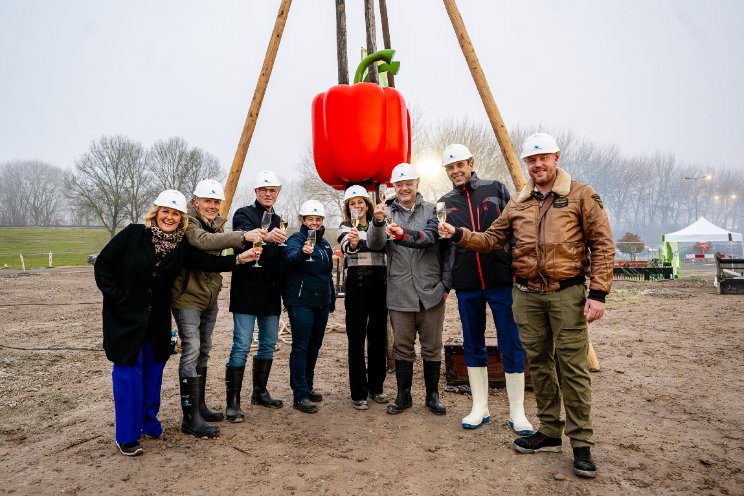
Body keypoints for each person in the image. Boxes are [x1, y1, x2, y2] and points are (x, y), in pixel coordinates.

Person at [439, 133, 614, 478]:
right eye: (531, 161)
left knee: (572, 368)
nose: (537, 165)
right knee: (541, 364)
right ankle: (549, 431)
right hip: (527, 294)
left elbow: (602, 244)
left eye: (543, 158)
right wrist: (458, 235)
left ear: (556, 158)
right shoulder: (519, 203)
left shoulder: (581, 194)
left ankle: (580, 443)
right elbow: (492, 239)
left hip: (566, 293)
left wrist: (598, 293)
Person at [94, 190, 256, 456]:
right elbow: (104, 265)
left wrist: (239, 259)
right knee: (128, 373)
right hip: (125, 317)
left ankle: (148, 422)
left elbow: (205, 262)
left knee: (154, 371)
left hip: (156, 318)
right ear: (155, 213)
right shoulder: (134, 234)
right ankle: (126, 434)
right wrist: (117, 297)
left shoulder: (179, 247)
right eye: (165, 211)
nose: (169, 217)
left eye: (175, 214)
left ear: (182, 219)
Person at [439, 144, 534, 434]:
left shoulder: (495, 189)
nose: (456, 171)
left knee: (511, 341)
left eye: (460, 165)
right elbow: (442, 247)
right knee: (472, 342)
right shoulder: (444, 202)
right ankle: (479, 406)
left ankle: (517, 411)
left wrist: (519, 268)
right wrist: (448, 280)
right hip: (467, 284)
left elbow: (517, 230)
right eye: (450, 168)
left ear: (471, 163)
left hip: (502, 280)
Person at [171, 179, 255, 438]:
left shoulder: (213, 222)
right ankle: (190, 418)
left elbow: (216, 251)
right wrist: (242, 238)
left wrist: (252, 243)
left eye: (216, 202)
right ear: (196, 202)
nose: (212, 206)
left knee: (204, 350)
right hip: (187, 297)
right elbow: (204, 244)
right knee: (191, 350)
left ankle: (200, 407)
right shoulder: (188, 223)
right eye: (207, 201)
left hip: (208, 297)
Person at [366, 163, 451, 416]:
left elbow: (440, 244)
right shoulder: (386, 212)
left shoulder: (434, 210)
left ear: (418, 184)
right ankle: (403, 396)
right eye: (399, 184)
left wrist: (446, 284)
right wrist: (377, 222)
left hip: (431, 291)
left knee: (432, 346)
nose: (404, 188)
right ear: (394, 186)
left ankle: (432, 396)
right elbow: (374, 244)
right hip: (399, 291)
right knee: (402, 347)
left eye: (409, 183)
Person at [226, 170, 288, 422]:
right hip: (246, 290)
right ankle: (233, 402)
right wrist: (267, 236)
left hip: (271, 292)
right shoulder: (243, 214)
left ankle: (260, 392)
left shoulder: (281, 220)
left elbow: (280, 256)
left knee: (268, 344)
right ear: (256, 192)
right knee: (241, 344)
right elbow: (242, 240)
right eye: (263, 190)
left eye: (272, 190)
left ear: (277, 193)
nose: (268, 193)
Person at [337, 185, 388, 410]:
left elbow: (385, 244)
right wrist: (356, 244)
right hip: (356, 285)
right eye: (352, 203)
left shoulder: (382, 223)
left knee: (378, 338)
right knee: (356, 339)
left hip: (380, 284)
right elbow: (347, 246)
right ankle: (358, 391)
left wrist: (367, 242)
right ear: (348, 208)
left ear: (367, 204)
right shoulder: (345, 226)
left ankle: (376, 387)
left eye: (360, 202)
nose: (356, 206)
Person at [282, 200, 336, 414]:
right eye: (310, 219)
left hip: (321, 301)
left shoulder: (324, 244)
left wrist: (330, 298)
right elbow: (290, 260)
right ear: (302, 220)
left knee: (315, 345)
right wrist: (303, 253)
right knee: (301, 346)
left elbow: (327, 274)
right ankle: (300, 394)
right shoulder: (295, 240)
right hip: (301, 301)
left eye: (318, 219)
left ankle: (308, 385)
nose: (314, 222)